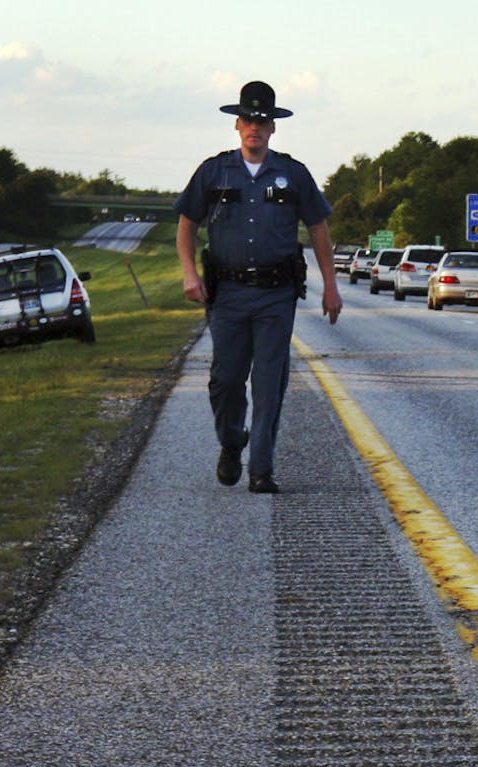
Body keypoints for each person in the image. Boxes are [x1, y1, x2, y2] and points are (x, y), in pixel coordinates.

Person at [174, 80, 340, 494]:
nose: (255, 127)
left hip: (275, 296)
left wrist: (331, 286)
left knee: (269, 382)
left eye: (262, 120)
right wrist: (189, 274)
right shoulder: (213, 172)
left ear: (273, 127)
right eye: (248, 119)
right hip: (227, 296)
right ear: (237, 124)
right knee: (226, 380)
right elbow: (187, 225)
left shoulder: (293, 174)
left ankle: (261, 469)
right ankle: (232, 442)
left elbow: (319, 229)